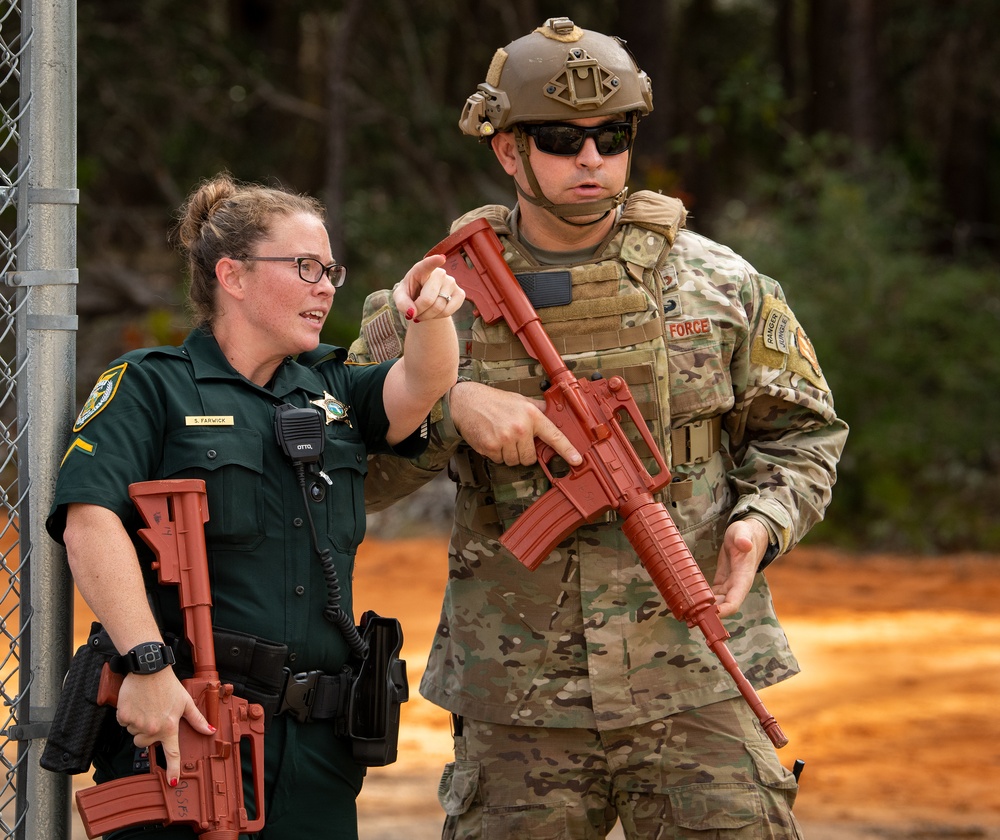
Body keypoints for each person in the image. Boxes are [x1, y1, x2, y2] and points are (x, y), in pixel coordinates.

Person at [352, 16, 849, 840]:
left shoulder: (721, 284)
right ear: (507, 150)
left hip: (694, 678)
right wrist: (448, 402)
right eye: (559, 137)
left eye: (611, 136)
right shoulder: (432, 299)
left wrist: (761, 525)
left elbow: (805, 436)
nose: (591, 159)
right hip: (518, 699)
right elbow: (351, 474)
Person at [45, 172, 464, 839]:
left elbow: (422, 381)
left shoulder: (334, 391)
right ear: (232, 276)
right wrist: (147, 663)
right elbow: (89, 522)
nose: (326, 285)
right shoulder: (151, 387)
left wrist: (432, 315)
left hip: (316, 754)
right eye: (304, 266)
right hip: (186, 730)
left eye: (330, 268)